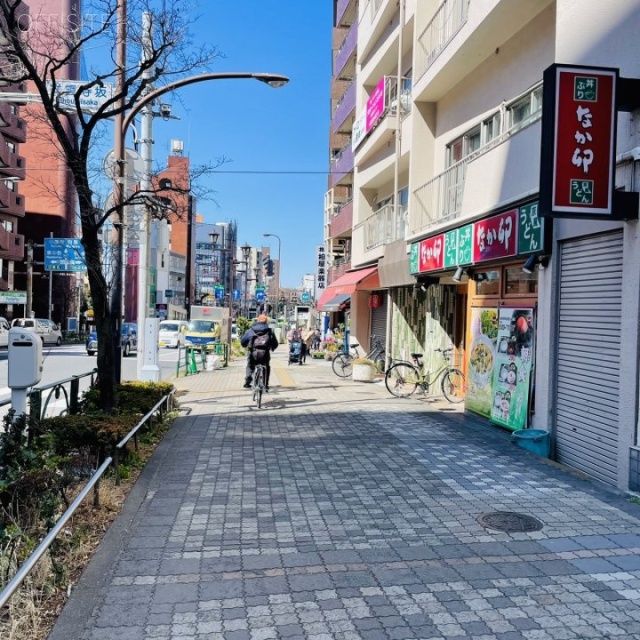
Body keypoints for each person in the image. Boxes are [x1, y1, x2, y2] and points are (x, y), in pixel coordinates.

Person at [240, 314, 278, 391]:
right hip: (265, 354)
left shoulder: (250, 330)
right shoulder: (269, 331)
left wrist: (245, 346)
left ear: (257, 321)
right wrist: (272, 348)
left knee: (250, 365)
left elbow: (243, 341)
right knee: (266, 367)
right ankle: (266, 385)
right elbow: (275, 343)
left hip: (253, 354)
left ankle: (248, 378)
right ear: (266, 321)